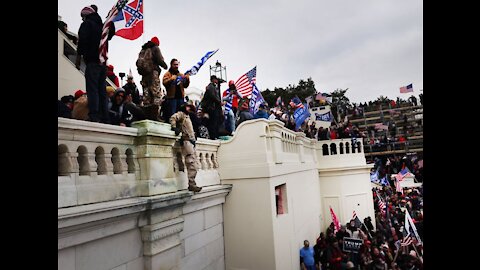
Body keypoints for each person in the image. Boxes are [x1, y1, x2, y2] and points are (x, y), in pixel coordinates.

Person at [75, 6, 114, 123]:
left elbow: (82, 40)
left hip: (92, 61)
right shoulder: (102, 26)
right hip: (102, 63)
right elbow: (110, 35)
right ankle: (104, 116)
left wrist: (79, 55)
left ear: (85, 15)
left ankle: (94, 115)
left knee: (92, 89)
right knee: (102, 90)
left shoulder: (87, 24)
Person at [169, 103, 202, 192]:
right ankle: (192, 184)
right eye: (188, 107)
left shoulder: (187, 117)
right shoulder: (181, 114)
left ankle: (192, 183)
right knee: (191, 163)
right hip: (186, 141)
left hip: (190, 142)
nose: (189, 108)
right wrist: (174, 128)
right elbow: (173, 118)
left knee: (194, 164)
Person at [139, 36, 168, 121]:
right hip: (153, 73)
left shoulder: (143, 50)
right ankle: (156, 115)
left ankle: (146, 114)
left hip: (144, 75)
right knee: (156, 94)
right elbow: (159, 59)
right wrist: (164, 65)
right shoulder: (155, 48)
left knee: (146, 95)